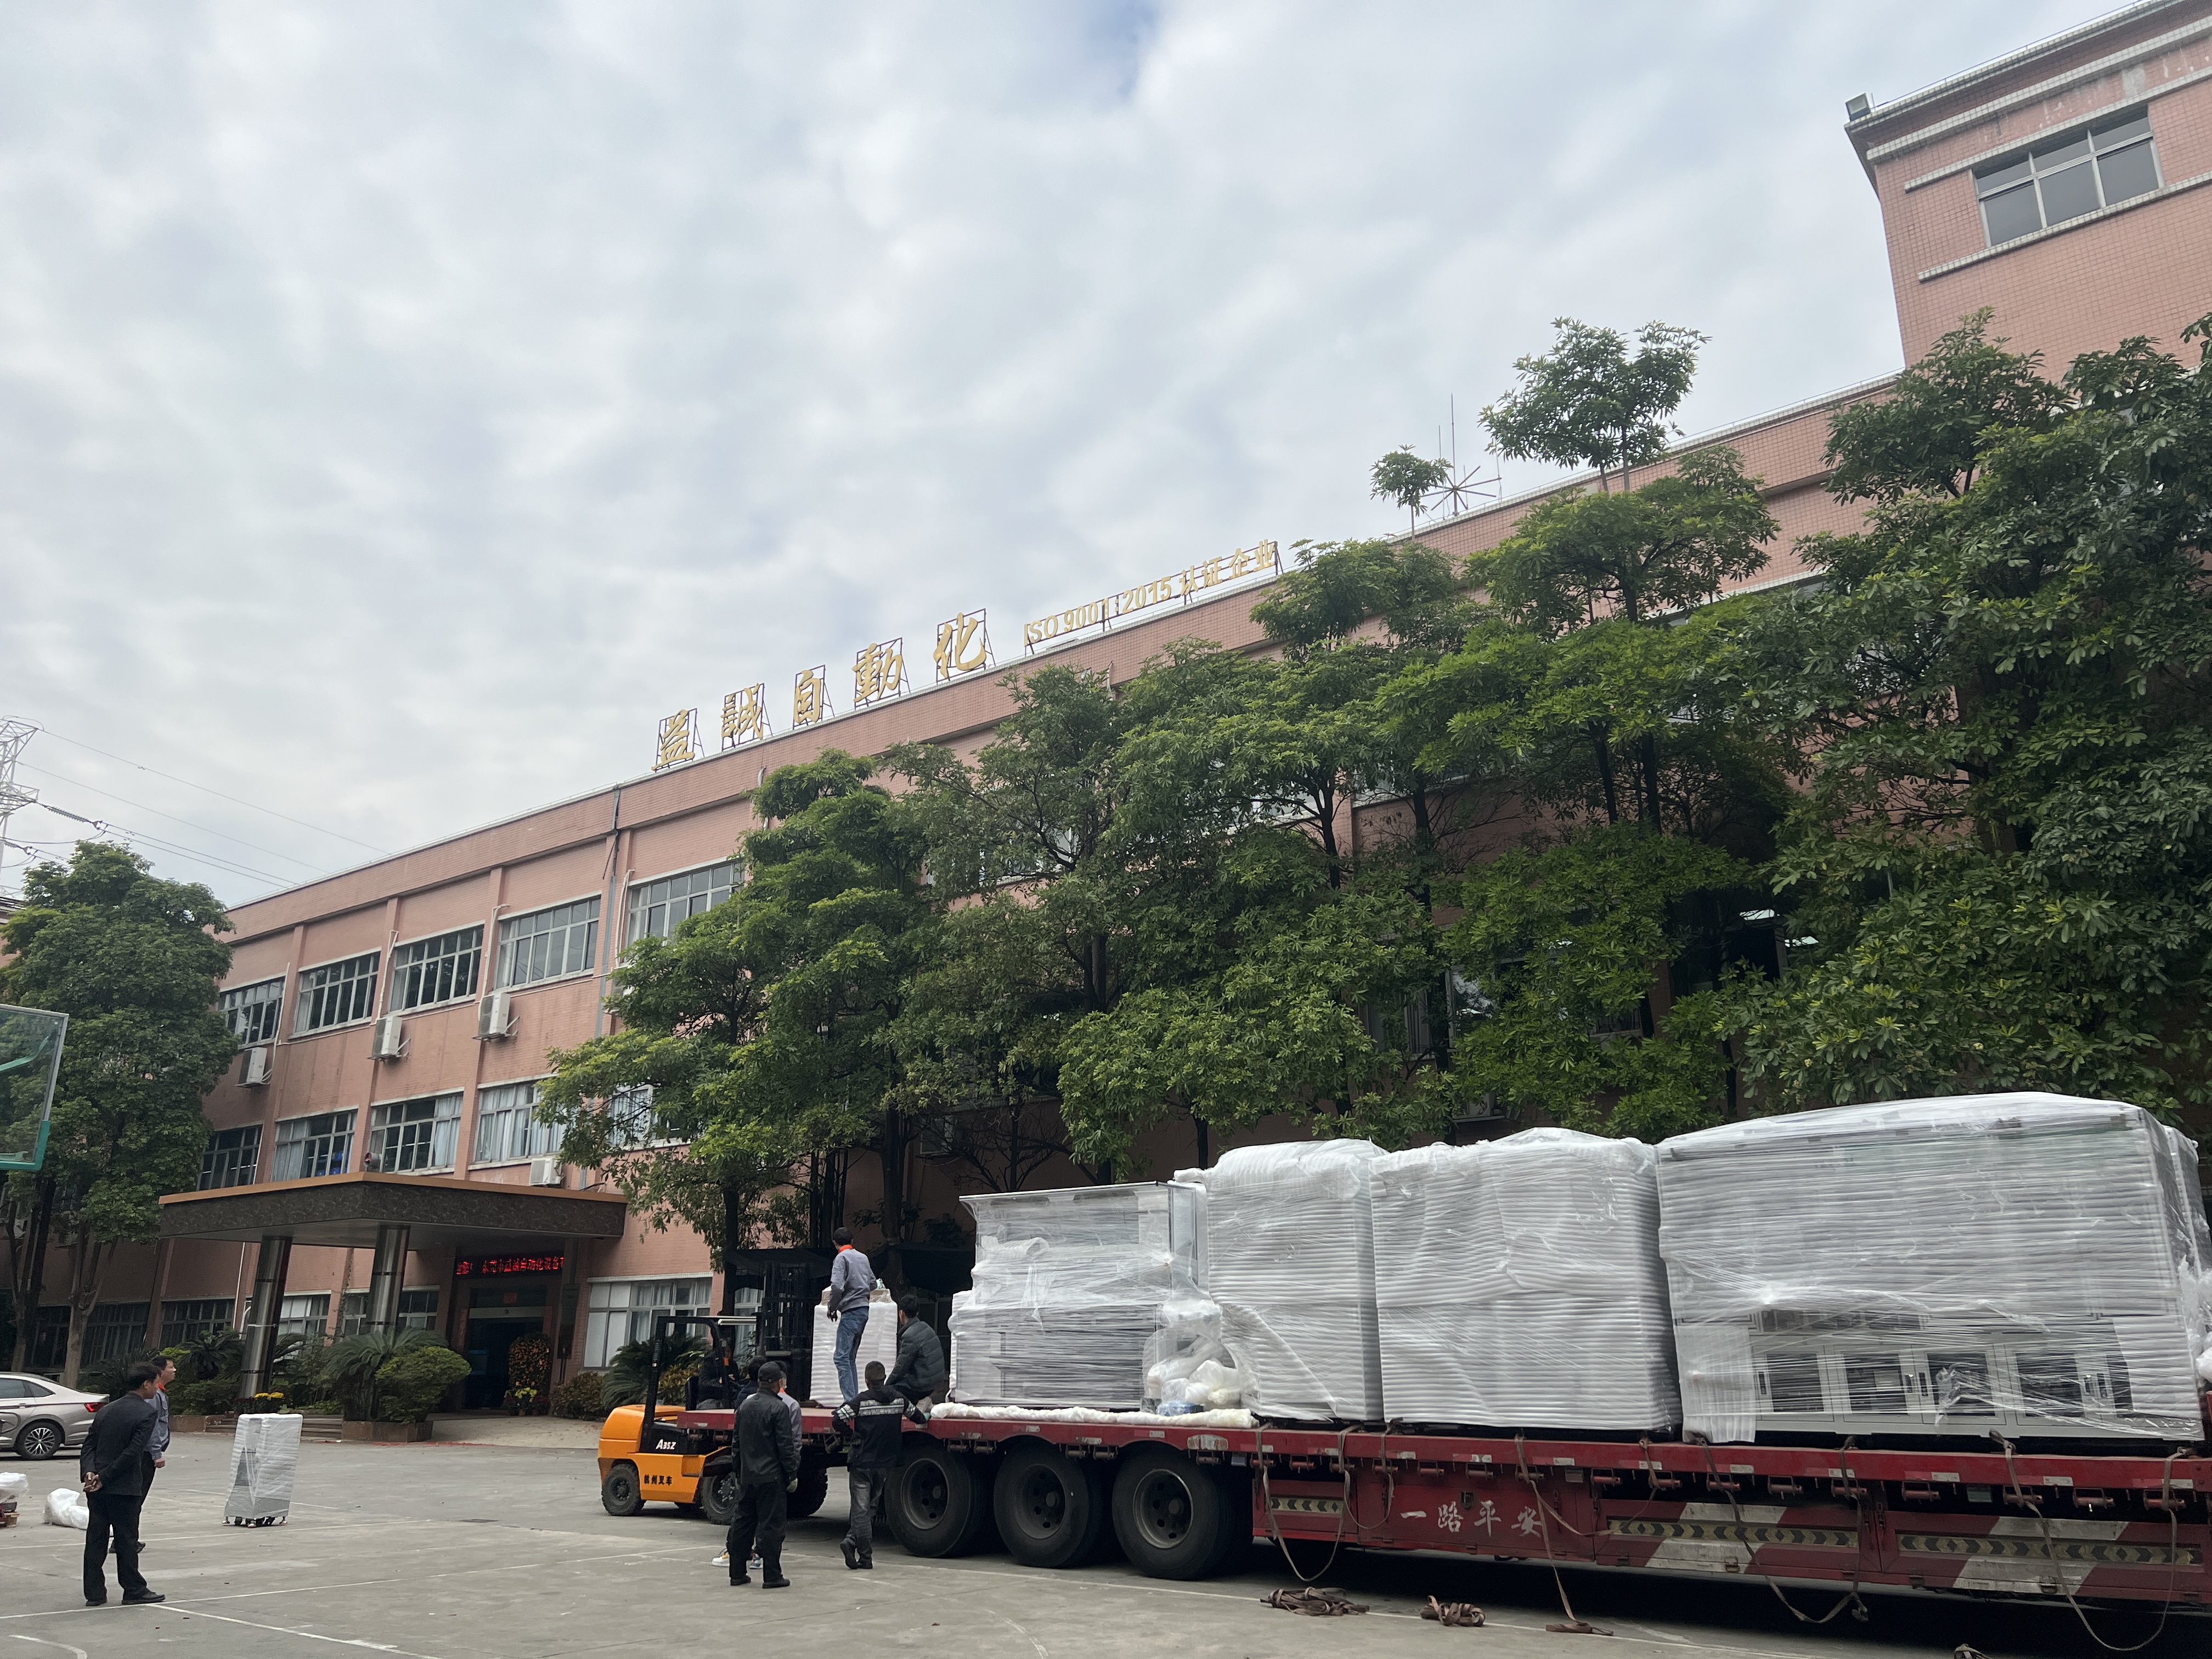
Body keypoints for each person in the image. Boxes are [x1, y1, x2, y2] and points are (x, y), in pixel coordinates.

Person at [80, 1361, 165, 1607]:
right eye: (156, 1383)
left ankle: (94, 1593)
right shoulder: (146, 1413)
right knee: (127, 1540)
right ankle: (133, 1589)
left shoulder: (107, 1409)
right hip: (124, 1487)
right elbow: (132, 1453)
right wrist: (105, 1477)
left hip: (96, 1486)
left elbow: (90, 1445)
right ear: (146, 1384)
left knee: (96, 1539)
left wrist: (90, 1472)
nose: (157, 1389)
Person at [829, 1359, 918, 1570]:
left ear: (867, 1381)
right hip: (885, 1463)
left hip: (862, 1462)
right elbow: (917, 1416)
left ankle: (865, 1556)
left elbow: (837, 1419)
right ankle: (852, 1544)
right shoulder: (899, 1399)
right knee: (871, 1508)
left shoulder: (861, 1401)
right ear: (885, 1378)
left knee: (861, 1511)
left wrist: (852, 1435)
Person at [726, 1360, 797, 1589]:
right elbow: (785, 1447)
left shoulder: (745, 1406)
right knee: (772, 1527)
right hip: (771, 1477)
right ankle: (772, 1576)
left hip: (748, 1476)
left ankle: (737, 1573)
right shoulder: (779, 1408)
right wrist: (791, 1474)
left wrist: (739, 1473)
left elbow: (736, 1445)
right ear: (778, 1383)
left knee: (743, 1524)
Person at [825, 1226, 876, 1402]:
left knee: (841, 1358)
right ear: (853, 1241)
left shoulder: (841, 1258)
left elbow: (837, 1286)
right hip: (863, 1310)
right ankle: (855, 1399)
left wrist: (832, 1307)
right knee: (850, 1358)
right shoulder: (863, 1258)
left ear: (835, 1243)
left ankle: (851, 1401)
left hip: (851, 1310)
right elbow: (873, 1283)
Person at [885, 1295, 946, 1408]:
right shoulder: (926, 1327)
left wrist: (887, 1385)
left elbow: (901, 1367)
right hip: (934, 1381)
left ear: (901, 1313)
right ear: (917, 1312)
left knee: (890, 1391)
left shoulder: (910, 1336)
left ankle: (919, 1401)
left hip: (923, 1385)